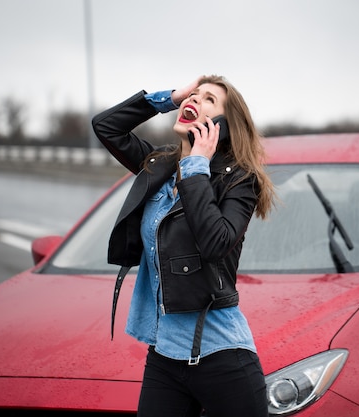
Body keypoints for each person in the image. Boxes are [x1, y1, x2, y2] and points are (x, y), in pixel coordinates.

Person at [92, 75, 275, 417]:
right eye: (194, 94)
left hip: (222, 355)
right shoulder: (158, 166)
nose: (195, 100)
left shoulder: (239, 182)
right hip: (164, 356)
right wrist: (170, 98)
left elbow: (215, 243)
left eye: (208, 100)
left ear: (223, 124)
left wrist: (196, 166)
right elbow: (105, 127)